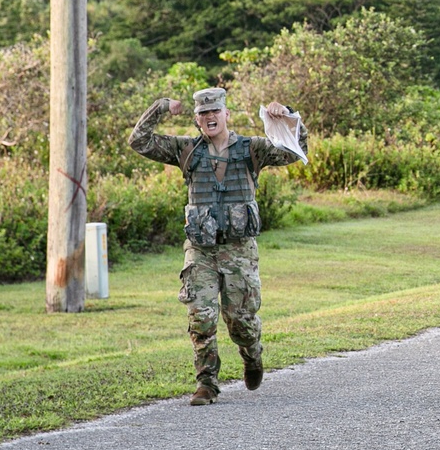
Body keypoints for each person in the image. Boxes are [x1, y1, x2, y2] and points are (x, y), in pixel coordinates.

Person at [128, 87, 308, 406]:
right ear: (197, 120)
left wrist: (289, 116)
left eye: (215, 112)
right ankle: (206, 383)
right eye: (203, 113)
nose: (209, 117)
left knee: (241, 321)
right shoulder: (185, 149)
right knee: (201, 316)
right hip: (201, 250)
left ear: (227, 115)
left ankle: (252, 357)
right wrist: (160, 107)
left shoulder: (253, 148)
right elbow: (138, 141)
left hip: (239, 251)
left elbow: (295, 152)